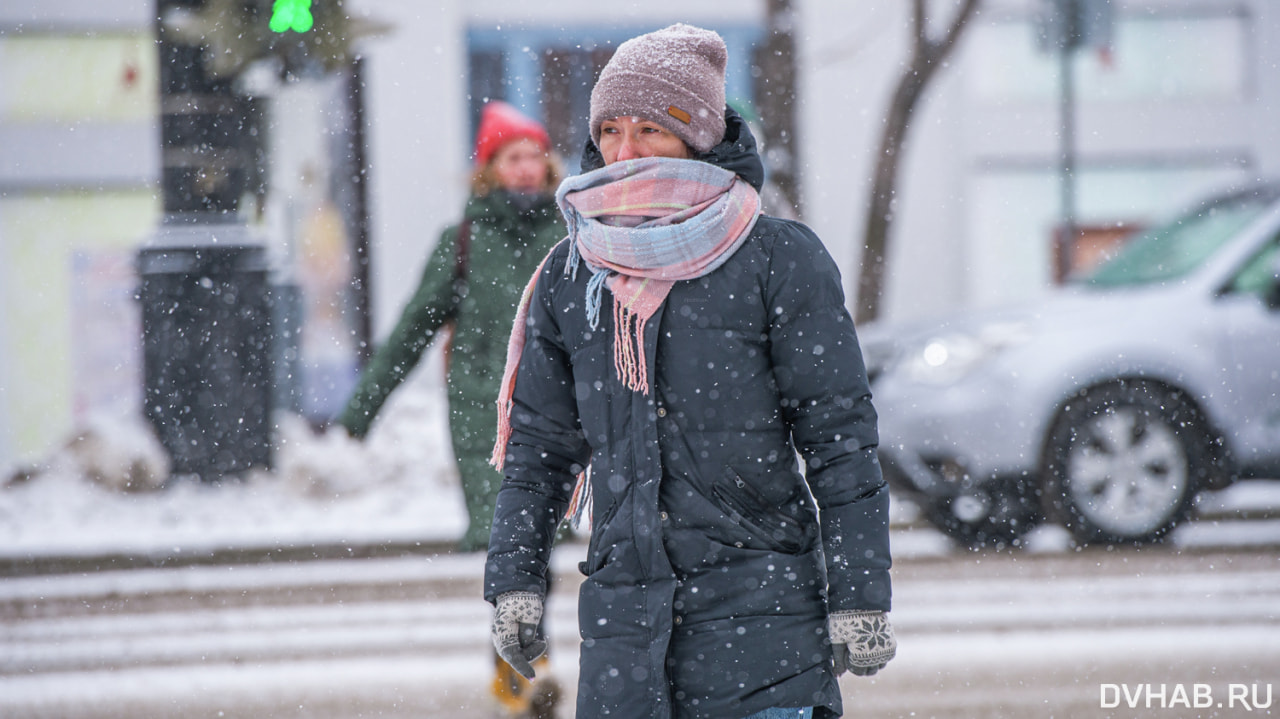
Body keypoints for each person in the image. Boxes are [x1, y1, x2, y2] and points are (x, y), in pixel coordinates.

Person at [485, 23, 895, 719]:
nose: (624, 151)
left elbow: (839, 440)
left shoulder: (778, 259)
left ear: (699, 136)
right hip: (623, 645)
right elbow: (539, 451)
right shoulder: (570, 272)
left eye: (649, 128)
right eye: (610, 129)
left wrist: (860, 595)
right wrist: (515, 581)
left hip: (766, 638)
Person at [335, 100, 566, 717]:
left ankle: (520, 663)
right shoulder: (464, 241)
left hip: (556, 414)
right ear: (487, 169)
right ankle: (520, 672)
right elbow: (412, 329)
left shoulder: (570, 235)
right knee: (506, 540)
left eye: (534, 157)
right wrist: (361, 410)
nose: (525, 169)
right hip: (482, 418)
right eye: (511, 158)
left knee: (537, 544)